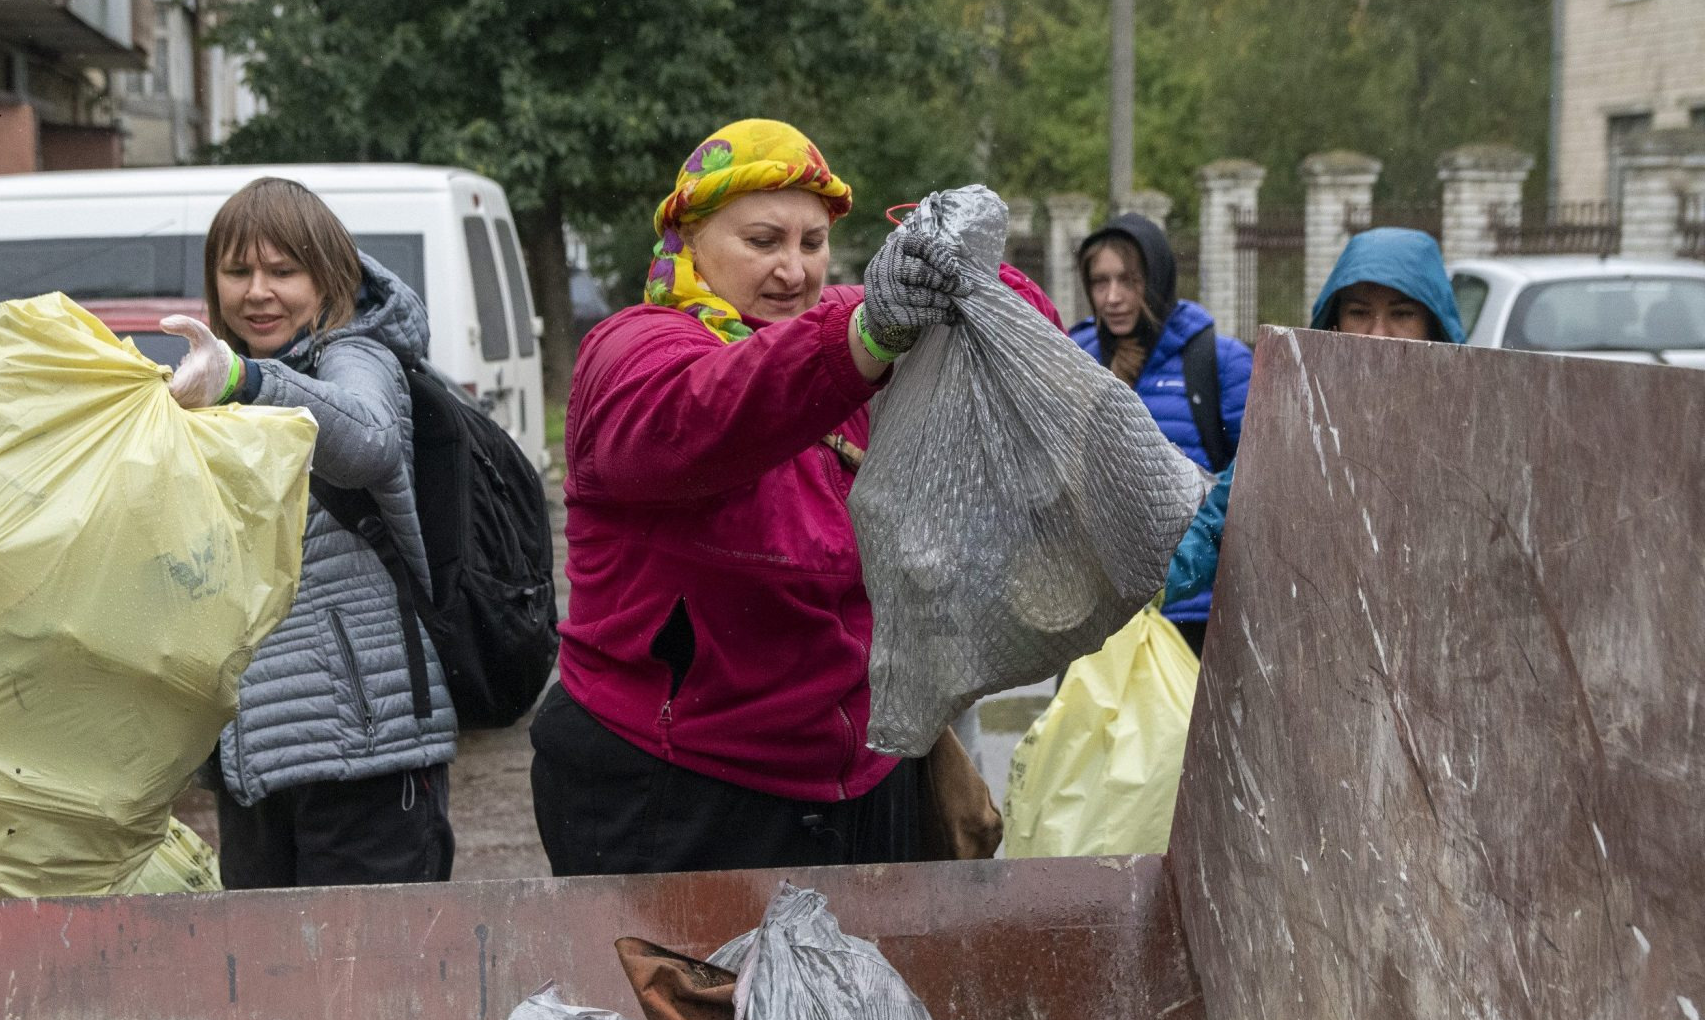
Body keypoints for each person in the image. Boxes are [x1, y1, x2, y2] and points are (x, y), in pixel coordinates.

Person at [528, 118, 970, 876]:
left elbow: (1009, 333)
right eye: (763, 241)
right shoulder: (634, 348)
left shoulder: (857, 348)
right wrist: (864, 335)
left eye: (812, 242)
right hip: (674, 791)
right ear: (690, 243)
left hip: (862, 783)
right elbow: (706, 409)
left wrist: (970, 271)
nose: (794, 270)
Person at [159, 177, 458, 887]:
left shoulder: (355, 356)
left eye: (283, 271)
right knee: (266, 958)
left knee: (372, 958)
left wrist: (244, 379)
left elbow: (369, 442)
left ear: (327, 278)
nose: (257, 291)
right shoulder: (218, 391)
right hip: (257, 757)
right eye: (237, 271)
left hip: (370, 751)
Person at [1166, 227, 1468, 609]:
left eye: (1402, 313)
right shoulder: (1297, 422)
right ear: (1335, 324)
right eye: (1359, 312)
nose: (1378, 334)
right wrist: (1142, 591)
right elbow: (1219, 526)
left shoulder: (1471, 428)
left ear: (1433, 324)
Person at [1070, 212, 1251, 656]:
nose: (1113, 297)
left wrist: (1183, 570)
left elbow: (1250, 477)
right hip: (1093, 620)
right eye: (1100, 282)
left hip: (1191, 617)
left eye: (1129, 281)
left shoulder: (1218, 360)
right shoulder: (1075, 358)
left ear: (1157, 280)